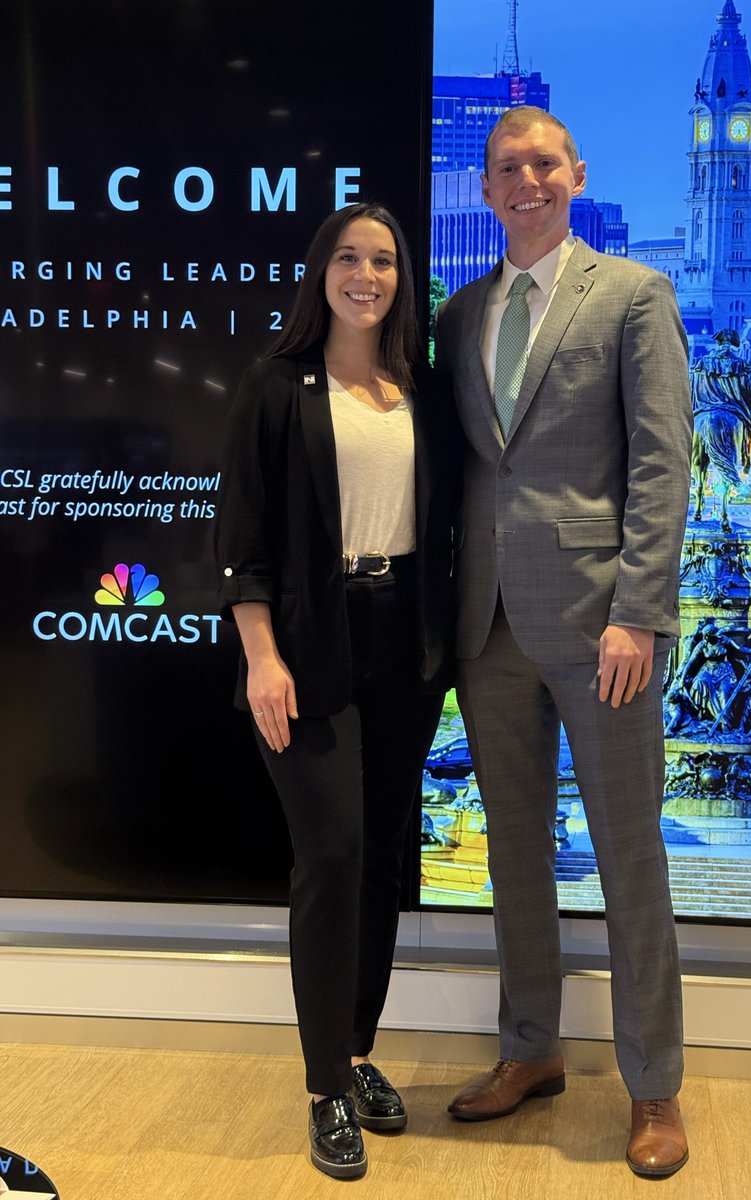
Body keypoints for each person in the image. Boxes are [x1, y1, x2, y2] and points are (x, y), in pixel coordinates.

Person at [434, 107, 693, 1177]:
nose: (525, 180)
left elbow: (662, 465)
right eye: (506, 168)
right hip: (486, 624)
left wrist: (640, 610)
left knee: (630, 856)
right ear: (486, 189)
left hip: (604, 629)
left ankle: (655, 1090)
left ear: (575, 175)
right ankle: (530, 1051)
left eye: (543, 163)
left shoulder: (634, 295)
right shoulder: (458, 315)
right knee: (514, 854)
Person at [213, 202, 456, 1180]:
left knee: (382, 860)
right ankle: (324, 1090)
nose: (368, 275)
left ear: (402, 280)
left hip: (407, 640)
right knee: (332, 851)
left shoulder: (420, 389)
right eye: (350, 259)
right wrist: (260, 655)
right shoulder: (275, 387)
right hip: (309, 639)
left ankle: (356, 1055)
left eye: (385, 261)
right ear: (322, 273)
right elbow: (241, 538)